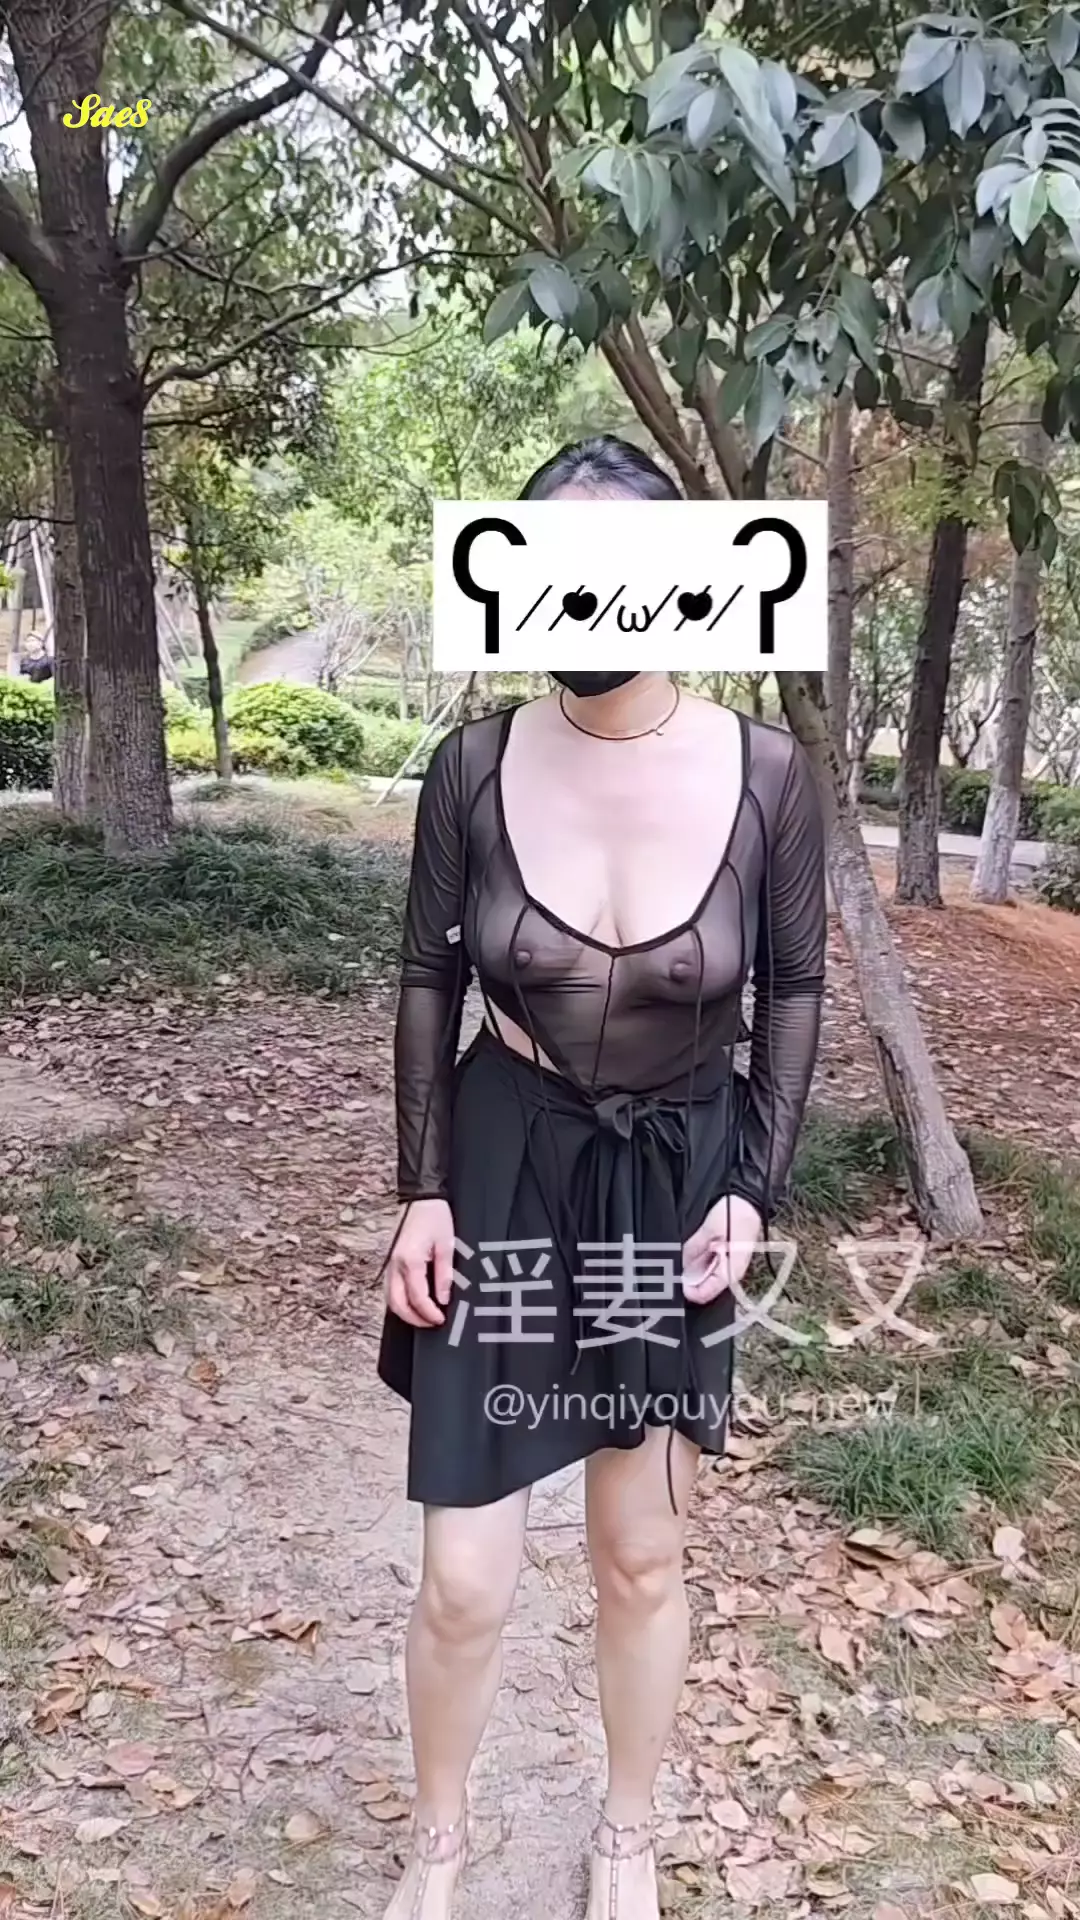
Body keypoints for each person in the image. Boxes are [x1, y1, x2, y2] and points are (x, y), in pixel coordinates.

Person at [377, 434, 827, 1920]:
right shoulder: (471, 766)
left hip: (676, 1180)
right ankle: (438, 1841)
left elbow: (796, 990)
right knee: (464, 1577)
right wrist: (422, 1188)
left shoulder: (770, 775)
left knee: (640, 1556)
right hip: (502, 1163)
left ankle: (626, 1834)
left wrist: (754, 1187)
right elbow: (428, 977)